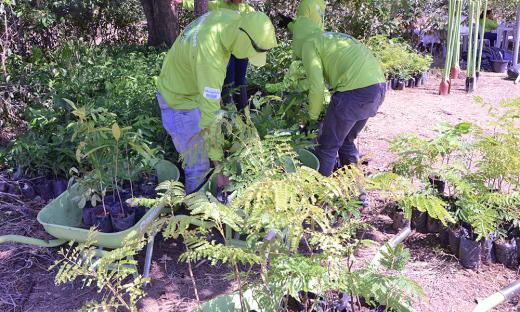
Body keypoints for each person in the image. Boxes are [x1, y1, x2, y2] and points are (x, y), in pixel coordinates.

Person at [156, 10, 277, 194]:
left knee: (205, 151)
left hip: (187, 86)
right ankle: (195, 213)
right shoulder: (210, 60)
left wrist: (211, 92)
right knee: (198, 164)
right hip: (178, 100)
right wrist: (220, 169)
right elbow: (210, 121)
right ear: (243, 40)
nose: (247, 59)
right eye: (249, 54)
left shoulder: (231, 18)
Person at [292, 16, 386, 178]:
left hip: (355, 92)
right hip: (379, 87)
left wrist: (312, 120)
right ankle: (358, 196)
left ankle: (319, 200)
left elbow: (317, 87)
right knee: (346, 142)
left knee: (327, 148)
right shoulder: (331, 37)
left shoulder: (309, 44)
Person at [182, 0, 255, 110]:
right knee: (228, 81)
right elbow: (199, 4)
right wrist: (182, 2)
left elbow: (255, 27)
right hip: (226, 52)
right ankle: (228, 111)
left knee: (240, 80)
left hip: (242, 51)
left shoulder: (248, 10)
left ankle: (244, 112)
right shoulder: (219, 5)